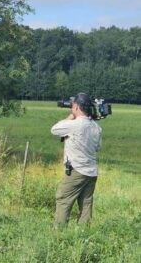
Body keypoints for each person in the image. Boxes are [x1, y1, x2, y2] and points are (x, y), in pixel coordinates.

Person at [51, 93, 102, 228]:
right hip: (91, 171)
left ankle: (59, 232)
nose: (71, 107)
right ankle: (83, 234)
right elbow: (97, 147)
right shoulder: (96, 127)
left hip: (77, 170)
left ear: (77, 107)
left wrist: (71, 117)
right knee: (86, 203)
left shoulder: (75, 125)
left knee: (63, 198)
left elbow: (54, 129)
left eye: (73, 105)